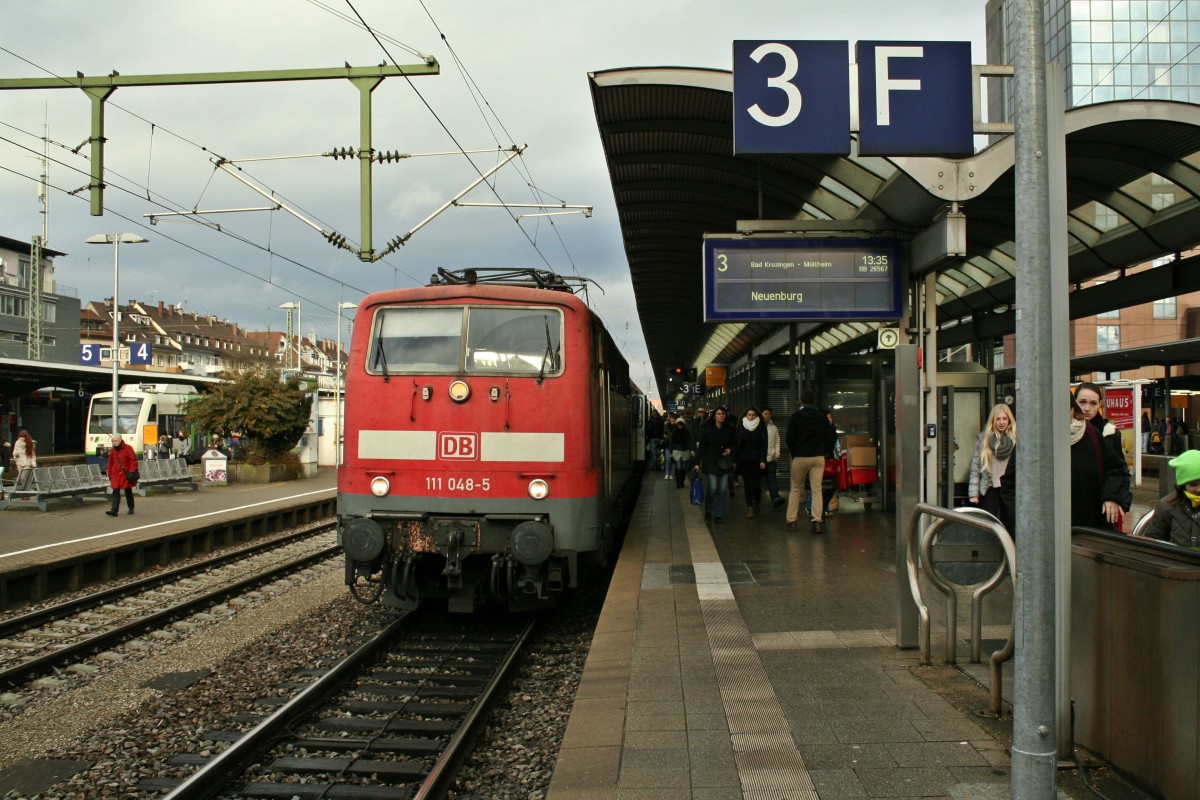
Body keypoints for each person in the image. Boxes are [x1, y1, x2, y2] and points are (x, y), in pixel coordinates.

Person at [1074, 383, 1132, 523]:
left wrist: (1114, 498)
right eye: (1082, 402)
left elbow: (1118, 469)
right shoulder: (1067, 430)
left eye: (1093, 403)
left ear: (1100, 404)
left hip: (1098, 507)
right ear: (1074, 402)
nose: (1087, 408)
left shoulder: (1109, 432)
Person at [786, 390, 835, 534]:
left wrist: (795, 453)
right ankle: (816, 522)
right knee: (817, 489)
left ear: (801, 401)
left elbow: (789, 439)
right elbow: (830, 437)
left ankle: (791, 521)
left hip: (800, 456)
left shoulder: (795, 417)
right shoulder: (822, 416)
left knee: (795, 488)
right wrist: (824, 452)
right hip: (818, 457)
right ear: (813, 401)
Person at [967, 403, 1017, 532]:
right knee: (989, 522)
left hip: (1009, 487)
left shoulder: (1016, 438)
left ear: (1009, 420)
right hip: (990, 486)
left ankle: (1010, 550)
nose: (1001, 422)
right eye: (998, 419)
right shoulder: (984, 439)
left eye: (1004, 419)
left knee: (1010, 522)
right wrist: (973, 493)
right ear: (993, 420)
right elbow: (975, 467)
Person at [1142, 449, 1200, 549]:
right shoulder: (1166, 506)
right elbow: (1153, 542)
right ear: (1182, 485)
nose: (1199, 489)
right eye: (1193, 484)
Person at [694, 406, 737, 523]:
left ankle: (718, 515)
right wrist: (697, 463)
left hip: (724, 463)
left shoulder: (730, 429)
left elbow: (735, 443)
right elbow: (701, 447)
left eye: (723, 414)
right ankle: (708, 510)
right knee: (712, 488)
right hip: (710, 462)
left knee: (722, 490)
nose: (721, 416)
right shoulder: (706, 428)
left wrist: (730, 450)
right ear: (714, 416)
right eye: (718, 414)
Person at [734, 407, 768, 518]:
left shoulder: (761, 427)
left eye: (753, 415)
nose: (751, 417)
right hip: (744, 460)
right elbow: (736, 442)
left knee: (756, 484)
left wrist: (763, 460)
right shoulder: (741, 426)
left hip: (757, 460)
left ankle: (757, 501)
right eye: (749, 414)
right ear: (745, 415)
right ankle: (750, 507)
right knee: (747, 484)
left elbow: (764, 444)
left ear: (757, 415)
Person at [106, 434, 139, 516]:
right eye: (113, 441)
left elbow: (133, 461)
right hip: (116, 474)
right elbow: (110, 463)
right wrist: (109, 473)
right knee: (115, 491)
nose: (114, 442)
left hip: (126, 474)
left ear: (120, 440)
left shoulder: (128, 448)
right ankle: (114, 510)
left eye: (116, 440)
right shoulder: (113, 450)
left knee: (128, 491)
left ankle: (131, 507)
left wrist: (131, 471)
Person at [761, 407, 785, 509]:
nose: (767, 416)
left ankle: (776, 499)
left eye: (769, 414)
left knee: (772, 480)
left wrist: (777, 453)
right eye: (765, 414)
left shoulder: (773, 427)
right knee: (757, 481)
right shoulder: (756, 427)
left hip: (771, 459)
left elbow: (777, 441)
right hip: (759, 460)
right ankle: (755, 501)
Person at [668, 418, 693, 489]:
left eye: (681, 424)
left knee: (683, 468)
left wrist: (691, 450)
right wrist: (671, 452)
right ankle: (678, 483)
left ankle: (681, 482)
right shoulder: (675, 432)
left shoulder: (687, 432)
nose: (680, 426)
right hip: (676, 451)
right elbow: (672, 443)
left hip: (685, 451)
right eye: (678, 424)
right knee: (678, 467)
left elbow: (690, 441)